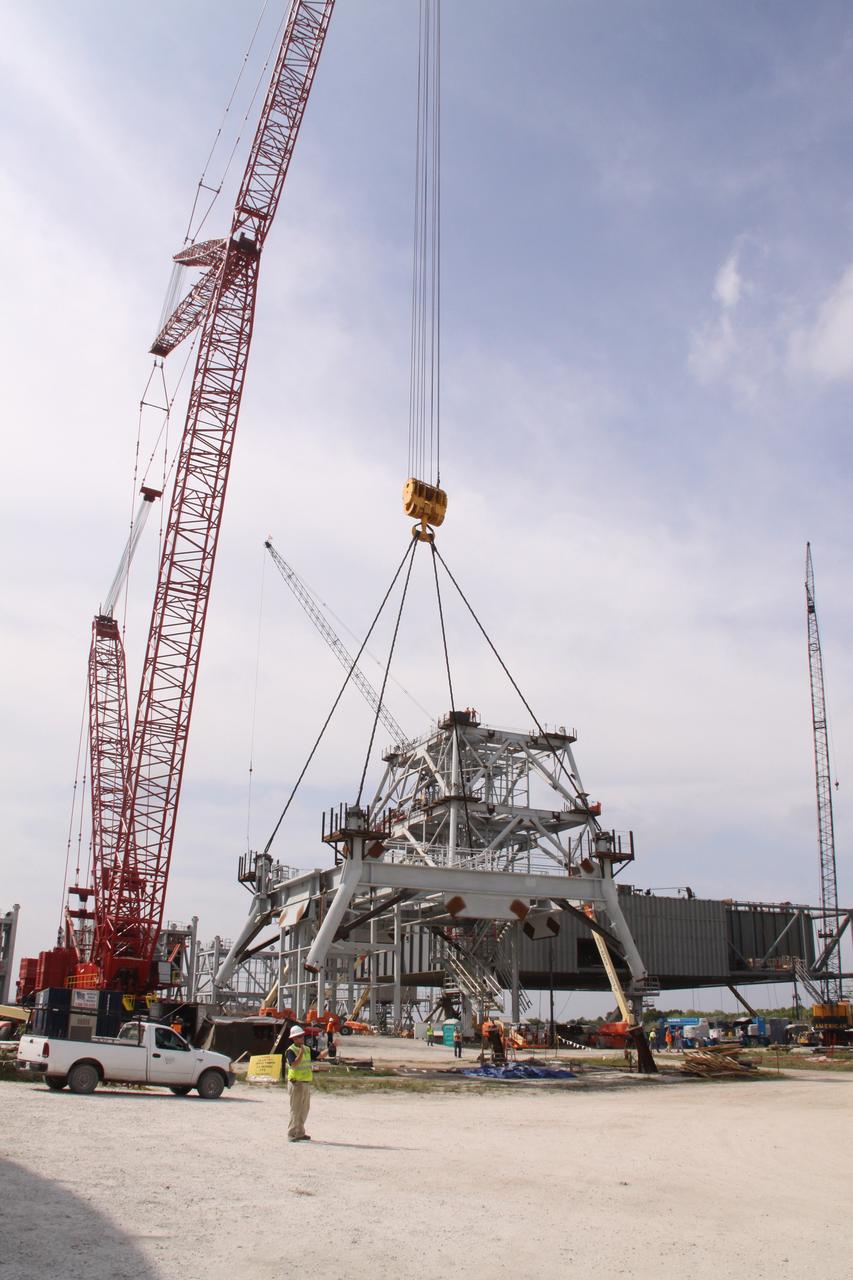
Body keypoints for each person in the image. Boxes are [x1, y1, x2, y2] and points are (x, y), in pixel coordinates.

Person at [285, 1025, 326, 1143]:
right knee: (295, 1109)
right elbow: (294, 1064)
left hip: (306, 1083)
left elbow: (319, 1055)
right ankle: (292, 1133)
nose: (301, 1038)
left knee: (304, 1109)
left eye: (302, 1036)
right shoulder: (290, 1051)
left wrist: (331, 1048)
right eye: (298, 1037)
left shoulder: (306, 1049)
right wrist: (301, 1053)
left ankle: (300, 1133)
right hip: (296, 1083)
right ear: (293, 1038)